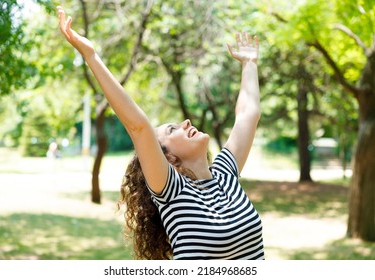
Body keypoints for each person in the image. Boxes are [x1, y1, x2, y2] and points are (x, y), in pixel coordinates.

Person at [57, 6, 264, 260]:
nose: (186, 122)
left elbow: (248, 114)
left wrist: (250, 63)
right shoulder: (173, 192)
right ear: (169, 159)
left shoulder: (225, 175)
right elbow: (138, 126)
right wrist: (91, 56)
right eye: (173, 129)